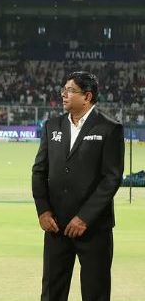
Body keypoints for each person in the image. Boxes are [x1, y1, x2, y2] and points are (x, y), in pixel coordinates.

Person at [32, 71, 124, 301]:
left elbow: (111, 178)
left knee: (95, 293)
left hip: (93, 229)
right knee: (52, 292)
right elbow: (39, 171)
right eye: (64, 89)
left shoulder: (109, 128)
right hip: (55, 226)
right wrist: (43, 210)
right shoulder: (52, 125)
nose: (64, 94)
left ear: (87, 96)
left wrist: (84, 217)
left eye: (70, 90)